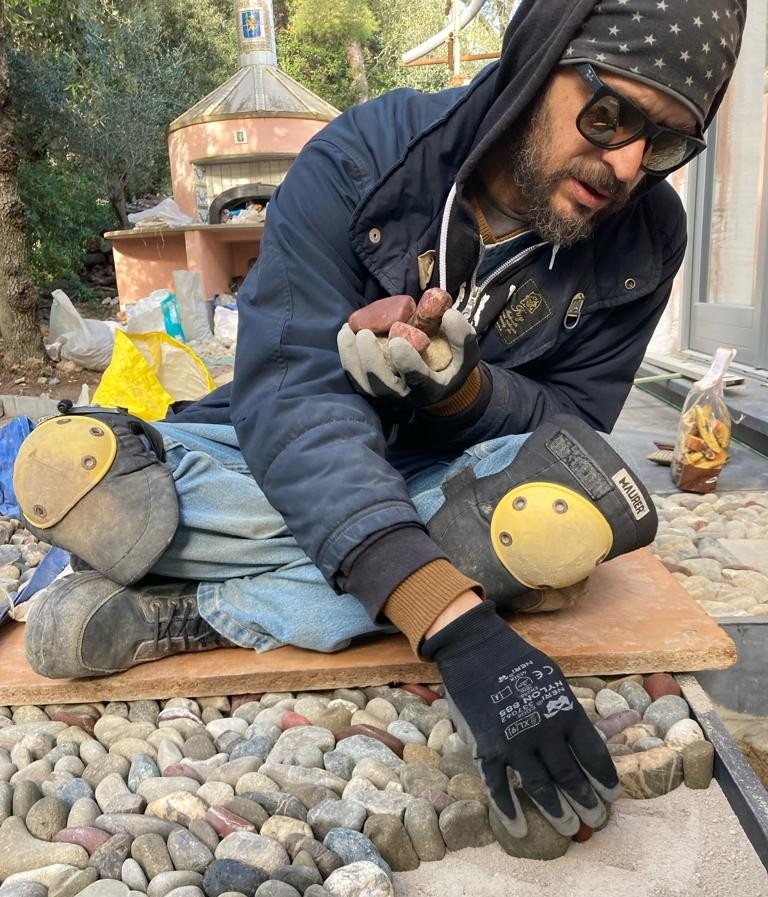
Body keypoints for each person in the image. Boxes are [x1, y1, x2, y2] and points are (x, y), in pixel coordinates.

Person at [14, 0, 745, 842]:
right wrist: (457, 623)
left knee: (577, 520)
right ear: (536, 60)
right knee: (78, 466)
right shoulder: (365, 155)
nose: (623, 166)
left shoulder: (649, 237)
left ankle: (205, 609)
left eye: (663, 144)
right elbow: (289, 397)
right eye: (608, 113)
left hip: (457, 472)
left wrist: (466, 395)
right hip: (292, 458)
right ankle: (408, 571)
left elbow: (574, 433)